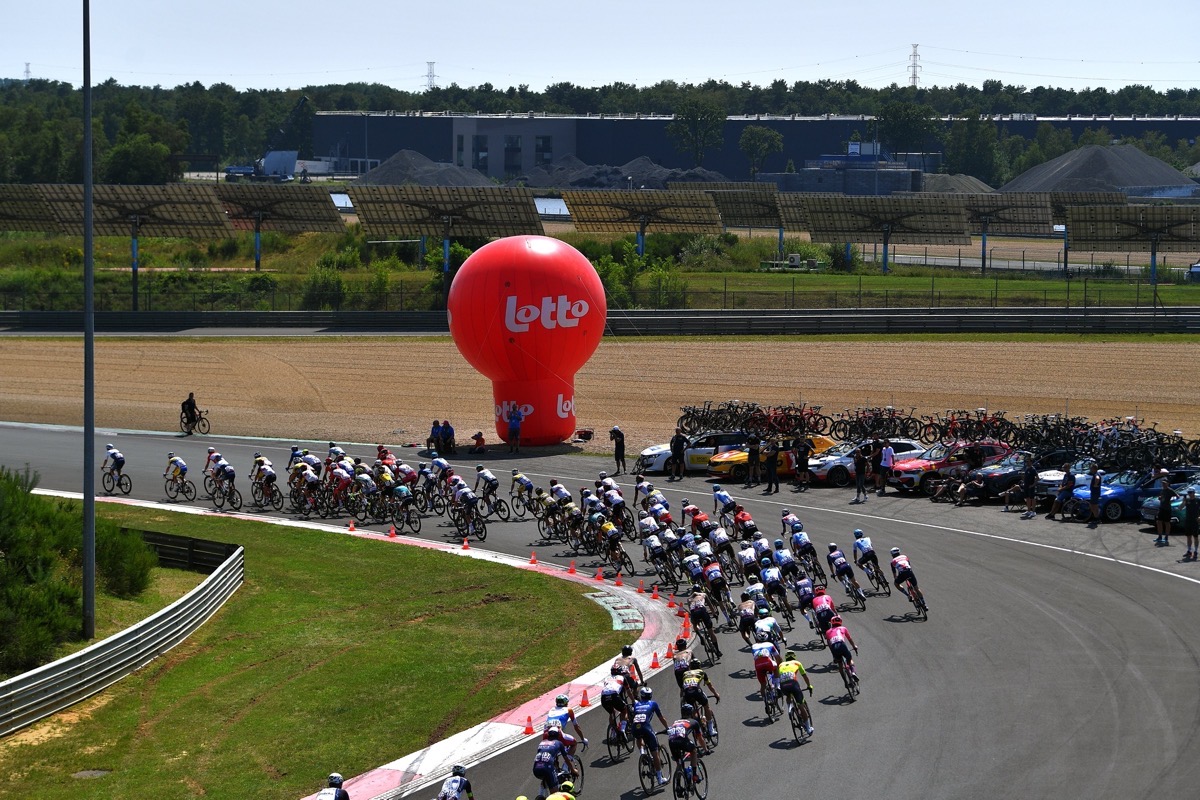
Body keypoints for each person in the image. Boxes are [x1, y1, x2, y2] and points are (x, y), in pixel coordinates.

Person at [629, 686, 671, 786]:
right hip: (646, 728)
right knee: (655, 753)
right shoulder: (653, 703)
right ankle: (660, 778)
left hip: (634, 728)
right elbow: (661, 718)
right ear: (650, 696)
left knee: (639, 736)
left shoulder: (636, 704)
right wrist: (667, 728)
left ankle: (642, 753)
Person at [666, 704, 710, 786]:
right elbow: (700, 738)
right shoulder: (694, 722)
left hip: (671, 741)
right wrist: (706, 750)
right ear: (691, 713)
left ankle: (678, 786)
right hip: (682, 740)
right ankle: (694, 775)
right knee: (693, 751)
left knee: (679, 763)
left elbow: (669, 731)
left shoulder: (676, 722)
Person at [776, 651, 815, 735]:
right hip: (793, 684)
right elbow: (804, 676)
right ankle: (808, 728)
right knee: (801, 705)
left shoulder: (781, 665)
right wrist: (809, 686)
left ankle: (790, 707)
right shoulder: (797, 663)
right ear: (794, 657)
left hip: (783, 685)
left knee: (788, 695)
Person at [531, 727, 577, 793]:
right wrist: (573, 770)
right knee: (555, 793)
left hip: (536, 769)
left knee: (545, 781)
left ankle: (540, 796)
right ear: (558, 735)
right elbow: (566, 759)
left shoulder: (542, 742)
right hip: (547, 768)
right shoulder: (559, 743)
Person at [1155, 471, 1179, 546]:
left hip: (1167, 509)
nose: (1163, 484)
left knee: (1167, 523)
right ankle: (1160, 536)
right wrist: (1160, 498)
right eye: (1163, 483)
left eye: (1165, 483)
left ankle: (1166, 537)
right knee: (1159, 522)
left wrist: (1171, 500)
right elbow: (1161, 497)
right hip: (1161, 508)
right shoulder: (1162, 490)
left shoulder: (1170, 490)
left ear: (1168, 484)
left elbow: (1177, 496)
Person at [1182, 488, 1200, 562]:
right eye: (1189, 492)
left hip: (1195, 520)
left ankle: (1195, 551)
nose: (1190, 494)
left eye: (1191, 492)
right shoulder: (1187, 500)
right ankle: (1189, 551)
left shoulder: (1198, 500)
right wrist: (1183, 502)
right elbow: (1180, 508)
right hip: (1188, 520)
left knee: (1195, 536)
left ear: (1194, 493)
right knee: (1188, 536)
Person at [1020, 454, 1039, 519]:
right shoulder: (1027, 469)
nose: (1027, 463)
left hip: (1031, 486)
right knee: (1027, 498)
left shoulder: (1033, 469)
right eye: (1026, 461)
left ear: (1031, 462)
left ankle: (1033, 511)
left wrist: (1033, 484)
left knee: (1032, 498)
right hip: (1026, 485)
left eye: (1028, 461)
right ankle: (1028, 510)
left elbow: (1037, 477)